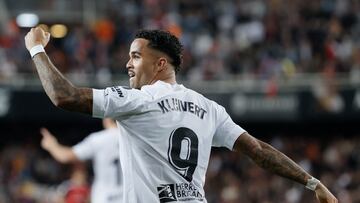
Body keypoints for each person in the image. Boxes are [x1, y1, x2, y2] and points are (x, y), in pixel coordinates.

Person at [25, 27, 337, 203]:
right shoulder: (209, 108)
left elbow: (63, 96)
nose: (128, 64)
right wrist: (312, 183)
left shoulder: (138, 101)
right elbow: (259, 150)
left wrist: (37, 49)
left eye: (135, 56)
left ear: (160, 63)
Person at [40, 118, 122, 203]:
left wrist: (51, 145)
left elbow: (64, 156)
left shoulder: (98, 139)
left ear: (106, 119)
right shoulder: (132, 138)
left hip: (104, 198)